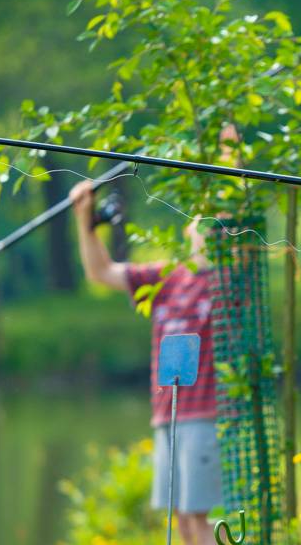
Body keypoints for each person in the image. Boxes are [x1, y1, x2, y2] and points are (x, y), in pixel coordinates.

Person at [70, 181, 222, 545]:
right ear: (188, 230)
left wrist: (229, 152)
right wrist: (84, 219)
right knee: (182, 519)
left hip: (205, 414)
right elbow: (100, 272)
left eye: (215, 223)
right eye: (201, 222)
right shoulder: (164, 278)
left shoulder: (224, 281)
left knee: (199, 518)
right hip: (166, 412)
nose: (207, 230)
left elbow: (233, 195)